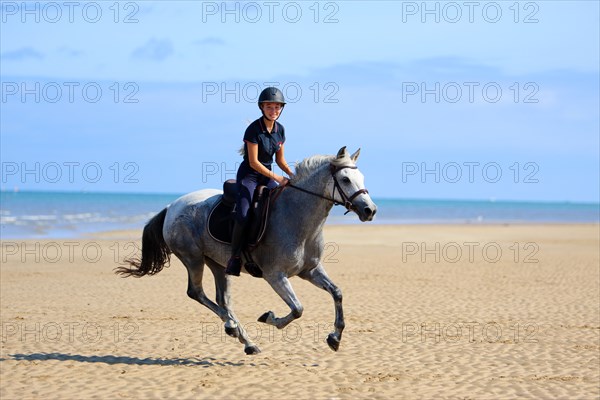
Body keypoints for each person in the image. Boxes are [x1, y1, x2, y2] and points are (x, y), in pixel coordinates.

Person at [225, 87, 294, 276]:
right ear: (262, 108)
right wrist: (278, 177)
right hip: (249, 175)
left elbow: (280, 160)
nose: (274, 111)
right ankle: (235, 257)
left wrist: (292, 174)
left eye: (277, 107)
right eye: (269, 107)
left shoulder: (280, 130)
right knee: (244, 213)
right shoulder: (253, 129)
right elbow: (254, 162)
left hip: (267, 175)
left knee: (280, 204)